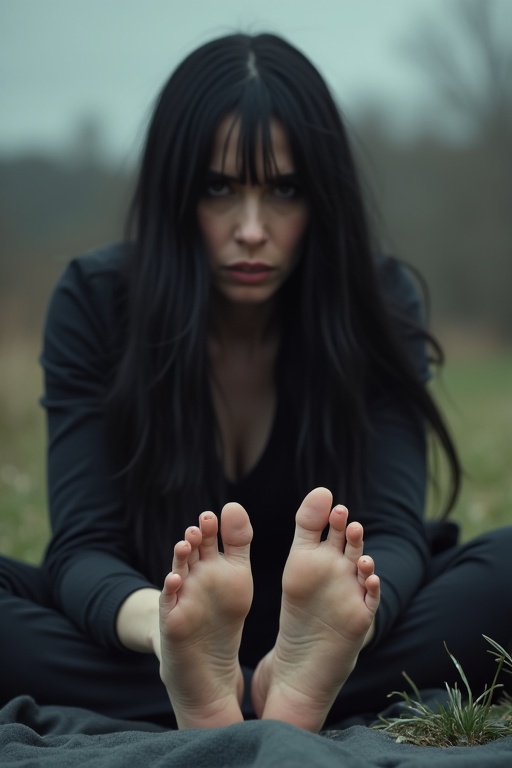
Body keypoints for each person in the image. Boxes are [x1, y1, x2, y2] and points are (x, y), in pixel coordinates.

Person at [1, 32, 511, 734]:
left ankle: (289, 682)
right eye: (219, 188)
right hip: (149, 637)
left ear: (322, 196)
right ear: (176, 192)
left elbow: (392, 533)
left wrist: (345, 631)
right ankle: (223, 689)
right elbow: (83, 549)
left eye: (284, 190)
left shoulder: (378, 299)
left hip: (335, 638)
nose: (250, 228)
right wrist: (167, 630)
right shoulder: (96, 300)